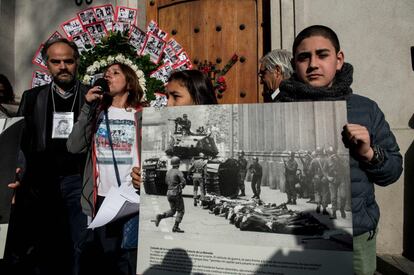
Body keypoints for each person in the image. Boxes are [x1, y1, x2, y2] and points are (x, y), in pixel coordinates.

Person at [278, 25, 403, 275]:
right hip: (294, 235)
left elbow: (392, 172)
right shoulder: (276, 110)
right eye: (304, 57)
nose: (313, 64)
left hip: (355, 235)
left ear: (338, 59)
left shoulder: (366, 109)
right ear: (294, 63)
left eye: (322, 55)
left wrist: (369, 153)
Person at [11, 38, 88, 275]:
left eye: (68, 61)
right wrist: (16, 178)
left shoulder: (90, 96)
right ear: (47, 65)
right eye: (56, 61)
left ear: (77, 63)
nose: (63, 66)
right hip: (41, 182)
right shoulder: (32, 97)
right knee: (45, 244)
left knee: (80, 245)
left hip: (79, 179)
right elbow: (20, 143)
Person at [67, 62, 143, 274]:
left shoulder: (141, 115)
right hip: (102, 198)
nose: (108, 76)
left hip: (132, 197)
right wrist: (88, 107)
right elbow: (73, 146)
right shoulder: (97, 112)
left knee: (130, 257)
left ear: (129, 82)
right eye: (105, 73)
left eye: (115, 73)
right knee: (106, 257)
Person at [131, 69, 218, 188]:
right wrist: (141, 180)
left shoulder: (203, 126)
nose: (168, 104)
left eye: (175, 96)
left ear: (198, 97)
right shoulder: (177, 132)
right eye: (167, 97)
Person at [154, 156, 186, 233]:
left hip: (169, 192)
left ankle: (160, 216)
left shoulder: (168, 172)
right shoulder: (178, 172)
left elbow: (166, 182)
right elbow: (184, 182)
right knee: (181, 210)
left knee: (172, 210)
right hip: (176, 193)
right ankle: (176, 227)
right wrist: (181, 186)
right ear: (178, 164)